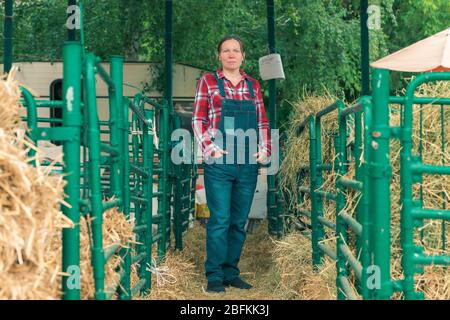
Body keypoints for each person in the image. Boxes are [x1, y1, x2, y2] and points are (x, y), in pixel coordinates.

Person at [192, 35, 271, 293]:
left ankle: (230, 272)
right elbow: (197, 120)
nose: (231, 54)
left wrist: (265, 149)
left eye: (235, 50)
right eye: (226, 50)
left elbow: (261, 122)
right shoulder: (209, 82)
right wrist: (209, 148)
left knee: (239, 221)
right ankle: (214, 276)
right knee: (220, 219)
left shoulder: (253, 86)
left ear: (243, 56)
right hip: (220, 162)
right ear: (219, 56)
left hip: (248, 164)